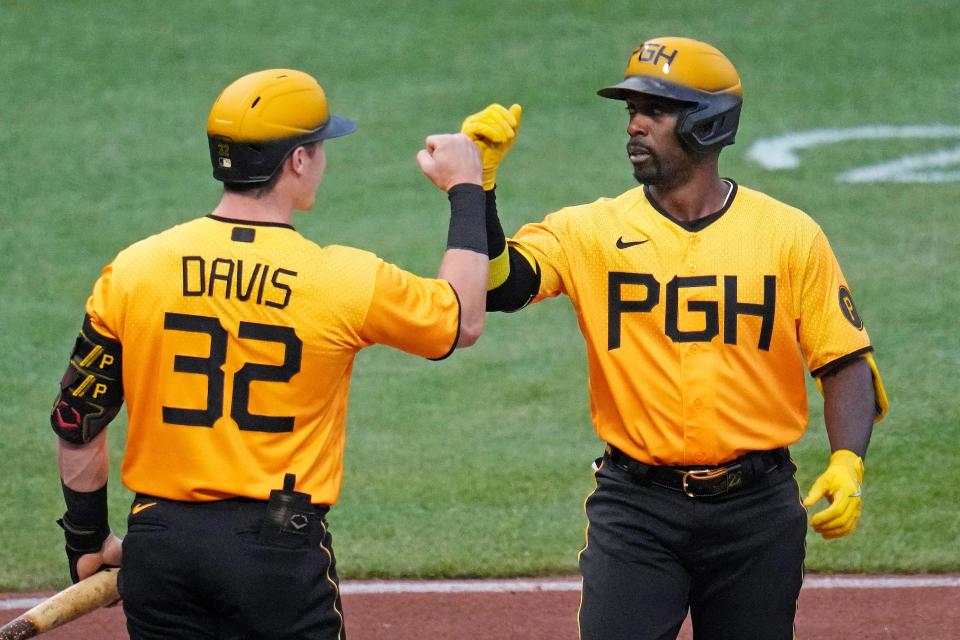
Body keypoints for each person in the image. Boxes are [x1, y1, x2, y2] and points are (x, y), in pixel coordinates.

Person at [462, 37, 889, 639]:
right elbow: (502, 286)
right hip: (637, 510)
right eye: (631, 110)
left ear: (708, 122)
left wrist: (849, 462)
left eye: (656, 110)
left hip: (757, 512)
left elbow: (844, 359)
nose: (635, 125)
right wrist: (477, 188)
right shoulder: (591, 230)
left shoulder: (788, 236)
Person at [50, 68, 487, 639]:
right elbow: (462, 318)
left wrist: (87, 541)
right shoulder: (341, 280)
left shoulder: (135, 269)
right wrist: (467, 188)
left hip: (160, 547)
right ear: (298, 160)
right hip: (273, 556)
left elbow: (77, 419)